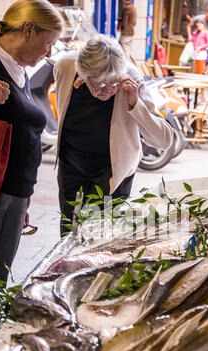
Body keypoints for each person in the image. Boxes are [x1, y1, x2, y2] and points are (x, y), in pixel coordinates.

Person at [53, 35, 174, 236]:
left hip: (113, 170)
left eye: (113, 83)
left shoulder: (130, 79)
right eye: (99, 84)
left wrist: (135, 103)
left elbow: (163, 140)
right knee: (68, 229)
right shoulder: (65, 67)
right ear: (83, 74)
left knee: (100, 235)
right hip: (71, 162)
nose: (107, 91)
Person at [0, 0, 63, 282]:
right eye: (48, 43)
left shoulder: (17, 68)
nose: (50, 53)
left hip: (14, 194)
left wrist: (23, 200)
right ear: (29, 29)